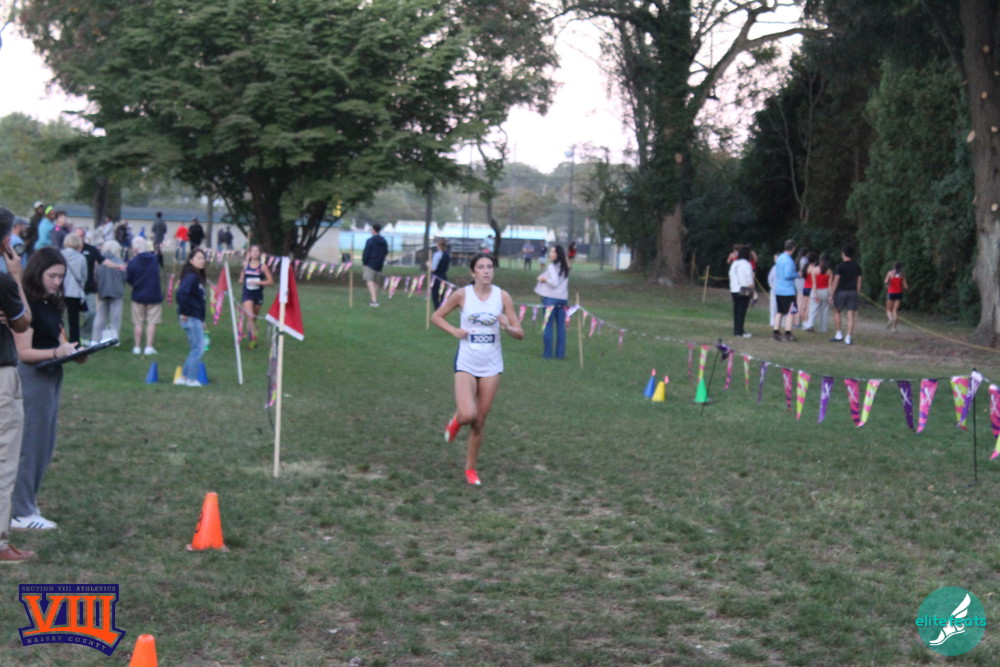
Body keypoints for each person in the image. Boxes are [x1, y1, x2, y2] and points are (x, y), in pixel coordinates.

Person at [431, 253, 523, 486]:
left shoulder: (503, 297)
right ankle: (456, 420)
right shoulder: (462, 294)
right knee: (467, 415)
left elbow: (519, 333)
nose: (486, 271)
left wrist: (507, 326)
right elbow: (437, 317)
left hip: (492, 365)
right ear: (473, 272)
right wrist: (455, 331)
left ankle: (470, 469)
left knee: (479, 422)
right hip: (466, 362)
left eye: (489, 267)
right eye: (481, 267)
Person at [12, 247, 86, 532]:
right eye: (52, 276)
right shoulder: (26, 305)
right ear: (38, 273)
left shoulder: (51, 303)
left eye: (61, 276)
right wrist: (57, 352)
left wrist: (73, 352)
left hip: (52, 376)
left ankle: (28, 503)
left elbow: (58, 340)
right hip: (33, 378)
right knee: (30, 445)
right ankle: (20, 511)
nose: (57, 281)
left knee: (45, 443)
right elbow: (24, 353)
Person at [0, 208, 37, 559]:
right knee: (3, 460)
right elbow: (24, 322)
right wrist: (16, 275)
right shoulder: (4, 281)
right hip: (1, 377)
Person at [175, 248, 209, 387]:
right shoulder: (191, 277)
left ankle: (183, 377)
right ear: (191, 260)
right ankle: (191, 379)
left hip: (196, 317)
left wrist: (202, 320)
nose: (202, 260)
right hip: (190, 316)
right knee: (198, 348)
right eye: (198, 258)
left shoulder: (197, 277)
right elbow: (181, 294)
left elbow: (198, 300)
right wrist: (185, 312)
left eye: (203, 258)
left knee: (195, 347)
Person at [126, 237, 163, 355]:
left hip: (138, 295)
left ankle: (137, 347)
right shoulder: (154, 259)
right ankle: (149, 347)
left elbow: (128, 278)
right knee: (152, 322)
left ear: (135, 249)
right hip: (154, 295)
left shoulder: (132, 262)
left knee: (138, 322)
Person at [535, 245, 570, 358]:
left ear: (558, 254)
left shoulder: (551, 266)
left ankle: (547, 354)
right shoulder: (565, 266)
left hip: (550, 298)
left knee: (548, 325)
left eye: (553, 252)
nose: (550, 254)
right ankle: (560, 354)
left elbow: (554, 282)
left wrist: (544, 279)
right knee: (561, 327)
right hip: (563, 299)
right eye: (550, 252)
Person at [238, 244, 273, 348]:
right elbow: (242, 277)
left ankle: (252, 332)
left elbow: (271, 282)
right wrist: (241, 279)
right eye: (253, 251)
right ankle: (252, 341)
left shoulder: (263, 266)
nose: (255, 253)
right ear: (249, 253)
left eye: (257, 251)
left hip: (258, 294)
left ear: (260, 253)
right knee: (251, 316)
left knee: (254, 319)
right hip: (247, 294)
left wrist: (258, 283)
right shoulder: (246, 264)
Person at [92, 240, 127, 344]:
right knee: (115, 317)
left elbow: (95, 276)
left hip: (102, 291)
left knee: (100, 315)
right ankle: (113, 339)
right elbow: (124, 277)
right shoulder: (119, 263)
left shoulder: (99, 262)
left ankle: (95, 339)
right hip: (117, 292)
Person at [829, 244, 862, 345]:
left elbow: (836, 280)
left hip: (841, 292)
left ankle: (838, 334)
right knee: (851, 315)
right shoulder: (857, 266)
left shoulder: (840, 266)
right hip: (853, 292)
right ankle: (848, 337)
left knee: (836, 311)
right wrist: (858, 292)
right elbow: (859, 280)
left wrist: (832, 294)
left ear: (843, 254)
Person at [60, 233, 88, 345]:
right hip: (75, 292)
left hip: (61, 291)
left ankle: (60, 340)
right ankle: (75, 342)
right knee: (74, 320)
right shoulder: (81, 258)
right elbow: (84, 276)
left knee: (59, 317)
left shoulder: (59, 255)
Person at [772, 239, 798, 341]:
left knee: (780, 311)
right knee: (790, 312)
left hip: (779, 289)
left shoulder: (779, 258)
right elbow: (788, 275)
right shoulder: (789, 260)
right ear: (793, 248)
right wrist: (797, 274)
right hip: (788, 290)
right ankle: (788, 333)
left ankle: (776, 331)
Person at [729, 245, 755, 338]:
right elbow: (749, 278)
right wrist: (752, 289)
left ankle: (737, 330)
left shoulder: (734, 264)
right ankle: (740, 331)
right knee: (742, 311)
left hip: (734, 289)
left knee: (736, 310)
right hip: (744, 289)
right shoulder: (747, 264)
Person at [362, 223, 389, 307]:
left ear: (373, 230)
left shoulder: (370, 241)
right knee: (375, 282)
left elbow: (366, 252)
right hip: (379, 264)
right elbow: (386, 251)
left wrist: (364, 261)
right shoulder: (383, 241)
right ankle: (374, 299)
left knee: (369, 281)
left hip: (370, 263)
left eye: (371, 229)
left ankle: (374, 301)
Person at [884, 261, 908, 332]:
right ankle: (894, 328)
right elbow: (906, 286)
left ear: (893, 266)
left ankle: (890, 318)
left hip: (891, 292)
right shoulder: (902, 275)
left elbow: (886, 281)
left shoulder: (890, 273)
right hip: (899, 293)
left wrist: (888, 285)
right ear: (901, 267)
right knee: (895, 311)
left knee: (888, 310)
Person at [428, 238, 451, 310]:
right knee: (442, 296)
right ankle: (441, 311)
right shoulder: (448, 255)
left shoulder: (437, 255)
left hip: (436, 278)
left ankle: (437, 311)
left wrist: (428, 264)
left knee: (435, 296)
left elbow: (433, 268)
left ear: (438, 245)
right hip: (443, 277)